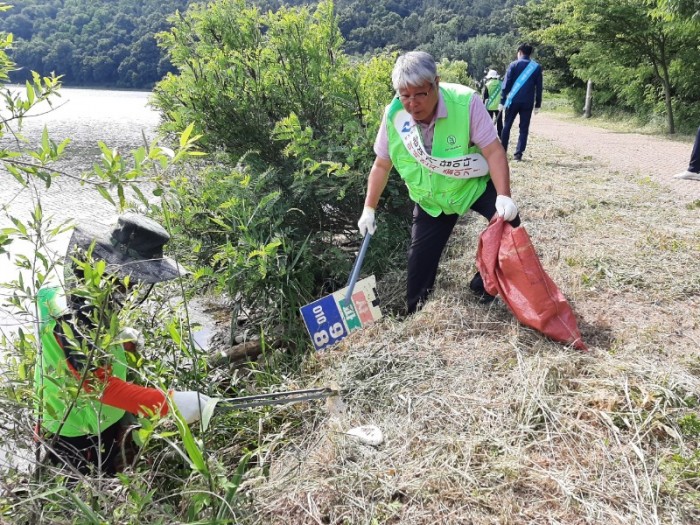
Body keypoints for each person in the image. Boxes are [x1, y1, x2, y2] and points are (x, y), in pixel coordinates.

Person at [34, 213, 211, 476]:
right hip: (76, 429)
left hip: (106, 418)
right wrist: (170, 403)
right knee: (91, 493)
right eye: (133, 277)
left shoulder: (80, 294)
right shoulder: (72, 314)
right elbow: (97, 386)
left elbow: (77, 351)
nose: (133, 286)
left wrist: (118, 340)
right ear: (110, 269)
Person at [357, 51, 520, 315]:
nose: (412, 103)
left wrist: (504, 195)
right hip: (432, 199)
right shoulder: (394, 116)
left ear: (436, 83)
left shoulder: (465, 102)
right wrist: (369, 209)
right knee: (419, 264)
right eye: (404, 95)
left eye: (420, 94)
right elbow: (381, 165)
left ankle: (484, 284)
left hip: (470, 185)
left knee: (510, 224)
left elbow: (493, 151)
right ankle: (415, 313)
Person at [499, 43, 543, 161]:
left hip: (512, 101)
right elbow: (539, 87)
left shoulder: (513, 65)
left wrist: (502, 100)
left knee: (507, 126)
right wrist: (537, 104)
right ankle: (518, 154)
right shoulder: (536, 67)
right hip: (527, 102)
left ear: (519, 52)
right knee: (524, 128)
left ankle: (503, 152)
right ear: (530, 53)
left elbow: (506, 84)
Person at [482, 69, 503, 137]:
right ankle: (500, 135)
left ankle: (489, 136)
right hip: (498, 106)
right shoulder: (501, 84)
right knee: (499, 122)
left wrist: (483, 105)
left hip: (489, 107)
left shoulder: (487, 85)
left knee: (489, 122)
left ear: (490, 77)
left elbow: (485, 97)